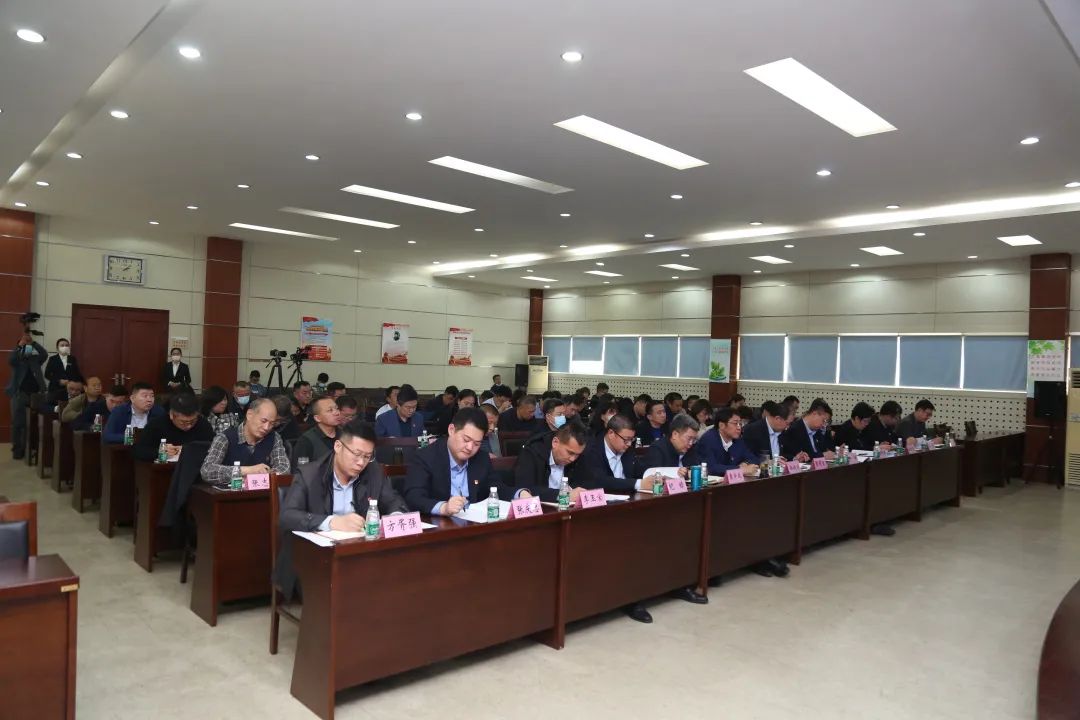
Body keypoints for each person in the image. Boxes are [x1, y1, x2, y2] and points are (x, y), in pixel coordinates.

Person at [277, 420, 409, 600]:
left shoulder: (374, 472)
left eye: (367, 456)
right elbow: (287, 516)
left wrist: (394, 518)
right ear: (338, 446)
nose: (361, 462)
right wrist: (332, 522)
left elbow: (394, 502)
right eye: (356, 454)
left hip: (360, 554)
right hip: (315, 560)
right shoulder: (309, 474)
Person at [403, 407, 527, 515]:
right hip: (440, 525)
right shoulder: (425, 457)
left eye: (477, 443)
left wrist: (520, 494)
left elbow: (496, 488)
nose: (470, 448)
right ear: (451, 430)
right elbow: (414, 497)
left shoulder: (481, 458)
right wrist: (443, 507)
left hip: (474, 524)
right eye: (466, 440)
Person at [201, 397, 289, 482]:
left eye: (272, 424)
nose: (267, 427)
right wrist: (246, 470)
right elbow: (207, 471)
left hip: (263, 491)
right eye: (263, 421)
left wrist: (266, 475)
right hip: (230, 491)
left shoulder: (274, 437)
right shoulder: (225, 438)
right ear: (249, 414)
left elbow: (284, 467)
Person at [513, 422, 588, 503]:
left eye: (577, 455)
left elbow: (585, 483)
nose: (573, 459)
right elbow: (524, 488)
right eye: (570, 453)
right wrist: (562, 495)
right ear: (555, 442)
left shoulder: (578, 456)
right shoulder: (532, 453)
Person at [132, 391, 213, 462]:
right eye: (183, 422)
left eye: (192, 421)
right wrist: (159, 452)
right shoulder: (156, 425)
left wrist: (189, 449)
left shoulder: (203, 424)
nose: (189, 426)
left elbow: (213, 448)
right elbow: (139, 451)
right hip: (164, 470)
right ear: (171, 414)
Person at [7, 331, 47, 460]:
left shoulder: (35, 359)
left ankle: (31, 448)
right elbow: (11, 359)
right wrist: (20, 345)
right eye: (25, 346)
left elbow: (44, 354)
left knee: (34, 423)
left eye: (28, 346)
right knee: (18, 422)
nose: (27, 348)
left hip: (36, 394)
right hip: (20, 393)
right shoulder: (18, 360)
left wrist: (33, 342)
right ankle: (18, 450)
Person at [578, 415, 642, 494]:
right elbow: (600, 481)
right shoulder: (592, 450)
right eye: (626, 439)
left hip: (628, 497)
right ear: (611, 433)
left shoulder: (628, 450)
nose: (629, 444)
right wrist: (637, 484)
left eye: (631, 439)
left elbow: (638, 471)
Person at [696, 407, 760, 476]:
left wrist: (746, 463)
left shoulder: (738, 440)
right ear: (721, 425)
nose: (739, 427)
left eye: (740, 424)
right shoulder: (708, 440)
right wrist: (740, 469)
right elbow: (711, 468)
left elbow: (754, 459)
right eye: (735, 423)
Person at [292, 396, 342, 465]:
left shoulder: (346, 435)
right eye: (330, 410)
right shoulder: (306, 441)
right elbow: (301, 469)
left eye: (337, 408)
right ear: (317, 418)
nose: (337, 413)